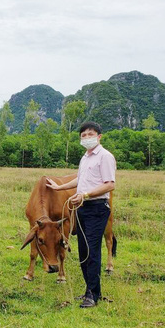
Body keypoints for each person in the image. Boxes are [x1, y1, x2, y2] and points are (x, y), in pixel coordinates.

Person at [46, 121, 116, 308]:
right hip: (82, 208)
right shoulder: (85, 158)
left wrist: (84, 195)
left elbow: (110, 184)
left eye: (90, 134)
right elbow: (80, 179)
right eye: (83, 135)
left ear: (99, 136)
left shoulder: (105, 157)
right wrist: (60, 187)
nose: (86, 138)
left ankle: (93, 295)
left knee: (93, 251)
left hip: (97, 207)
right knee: (83, 252)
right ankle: (89, 290)